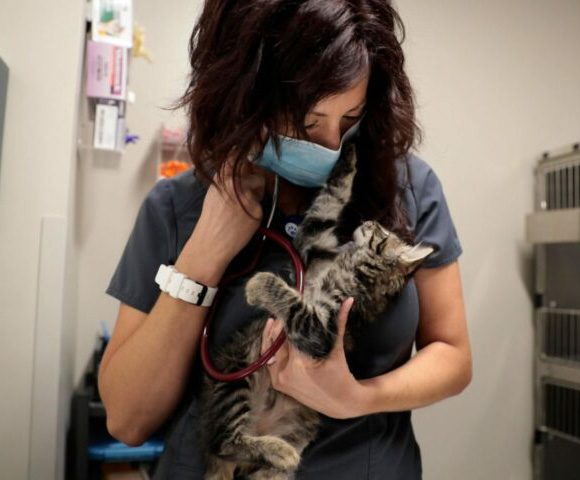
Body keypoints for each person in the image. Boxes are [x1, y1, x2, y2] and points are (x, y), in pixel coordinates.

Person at [98, 1, 472, 478]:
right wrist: (203, 257)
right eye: (310, 123)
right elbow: (127, 419)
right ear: (246, 96)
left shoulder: (408, 188)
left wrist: (357, 398)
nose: (332, 145)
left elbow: (453, 355)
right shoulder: (176, 207)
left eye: (349, 117)